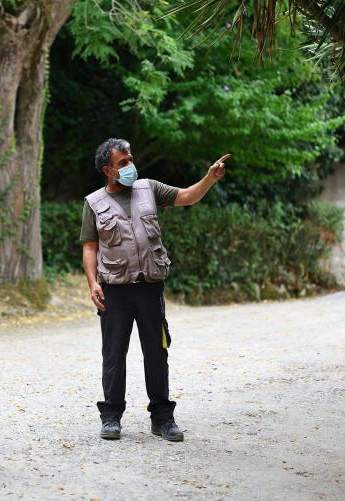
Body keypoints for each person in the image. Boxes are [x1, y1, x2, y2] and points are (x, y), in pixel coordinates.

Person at [80, 138, 229, 442]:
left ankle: (162, 417)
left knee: (157, 353)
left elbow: (187, 196)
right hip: (114, 289)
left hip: (150, 286)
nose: (130, 165)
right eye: (123, 162)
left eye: (130, 159)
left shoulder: (149, 188)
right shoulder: (93, 202)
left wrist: (209, 178)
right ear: (108, 170)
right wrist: (93, 282)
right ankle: (111, 416)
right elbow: (90, 246)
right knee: (113, 354)